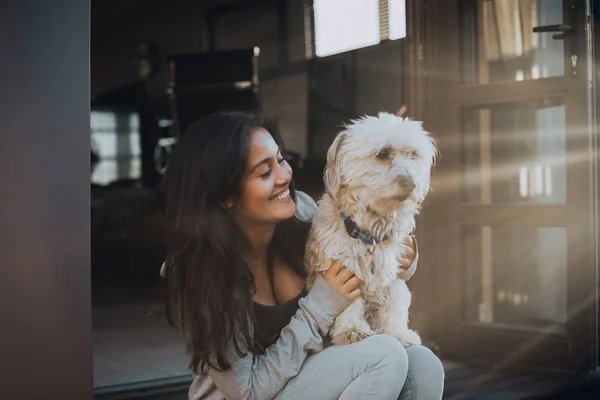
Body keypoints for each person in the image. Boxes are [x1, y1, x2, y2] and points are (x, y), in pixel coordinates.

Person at [161, 111, 445, 400]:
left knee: (423, 363)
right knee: (384, 355)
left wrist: (403, 259)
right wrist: (320, 306)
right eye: (264, 171)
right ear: (224, 195)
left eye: (281, 160)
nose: (285, 176)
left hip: (304, 380)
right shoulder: (201, 274)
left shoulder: (305, 215)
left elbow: (363, 247)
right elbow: (246, 391)